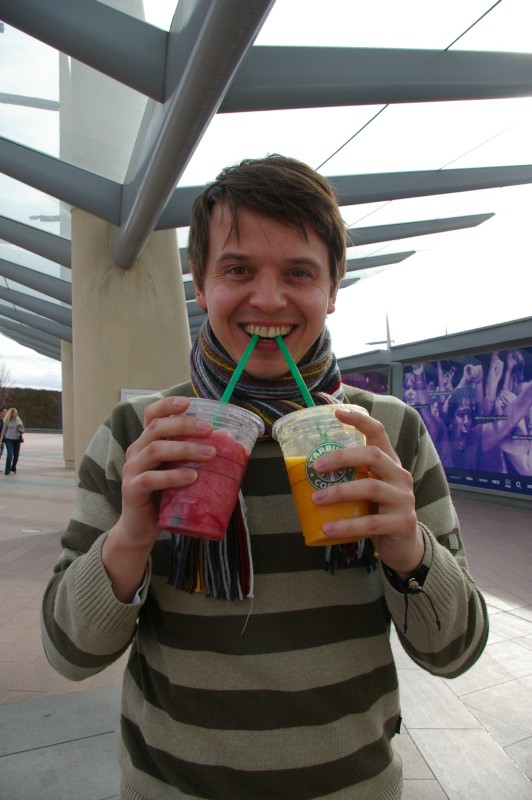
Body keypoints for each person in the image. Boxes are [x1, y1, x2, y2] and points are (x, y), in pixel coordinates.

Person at [41, 155, 489, 800]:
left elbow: (455, 651)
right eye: (238, 270)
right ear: (201, 284)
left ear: (332, 291)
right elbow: (70, 654)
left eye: (299, 273)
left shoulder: (387, 433)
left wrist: (409, 551)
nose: (269, 299)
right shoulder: (139, 434)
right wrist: (130, 539)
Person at [1, 407, 24, 475]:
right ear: (11, 413)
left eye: (16, 412)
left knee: (16, 456)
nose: (16, 413)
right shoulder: (7, 421)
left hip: (17, 440)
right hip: (9, 440)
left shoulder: (19, 421)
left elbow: (23, 430)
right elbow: (3, 432)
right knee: (10, 455)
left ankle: (13, 467)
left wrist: (21, 430)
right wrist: (1, 441)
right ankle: (7, 470)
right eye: (15, 412)